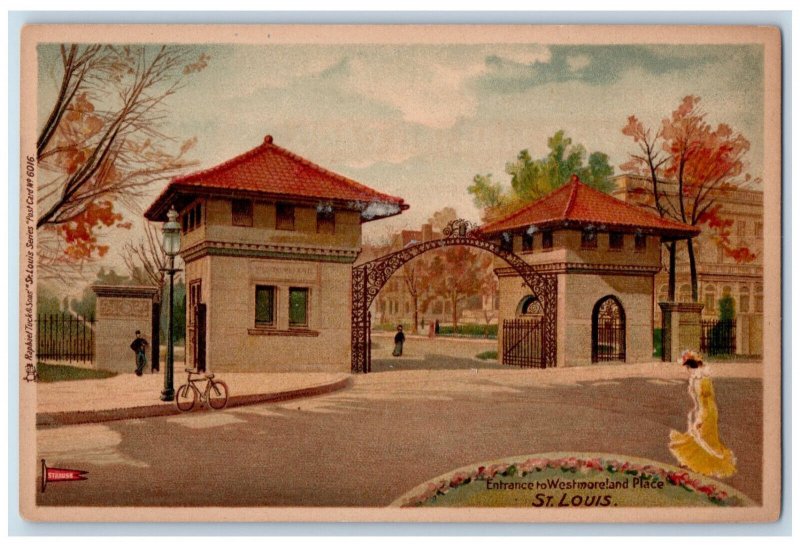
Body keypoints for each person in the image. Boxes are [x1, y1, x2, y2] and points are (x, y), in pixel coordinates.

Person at [668, 350, 736, 478]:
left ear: (691, 366)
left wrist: (700, 417)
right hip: (702, 409)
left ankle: (702, 464)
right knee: (695, 434)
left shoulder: (702, 380)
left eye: (687, 367)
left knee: (703, 437)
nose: (686, 370)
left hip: (707, 412)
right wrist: (694, 412)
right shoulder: (696, 377)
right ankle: (689, 462)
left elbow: (706, 401)